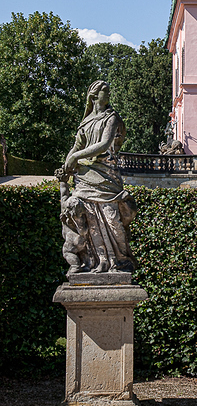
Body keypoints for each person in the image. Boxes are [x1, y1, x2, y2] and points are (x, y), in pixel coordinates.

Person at [56, 80, 137, 274]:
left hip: (106, 177)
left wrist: (76, 157)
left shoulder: (112, 118)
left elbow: (104, 144)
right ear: (93, 96)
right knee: (91, 222)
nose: (108, 94)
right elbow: (77, 146)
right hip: (85, 177)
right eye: (105, 92)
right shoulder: (86, 122)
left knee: (113, 222)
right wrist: (67, 165)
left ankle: (119, 261)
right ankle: (97, 262)